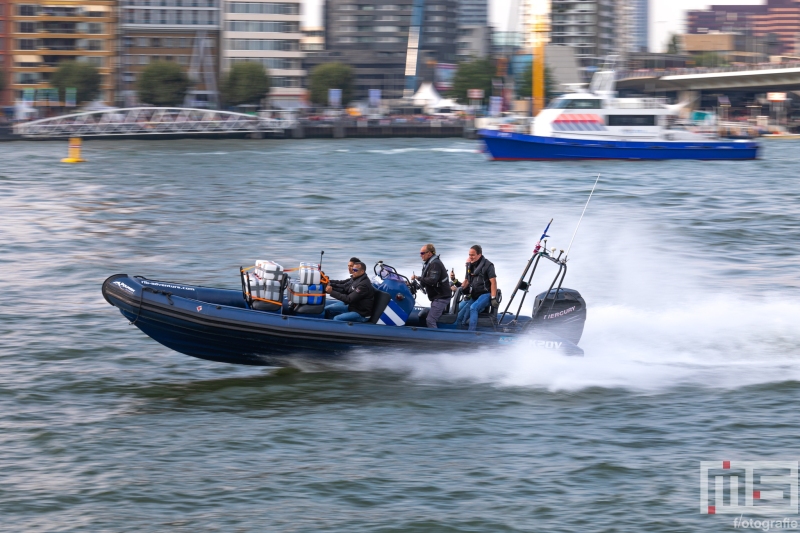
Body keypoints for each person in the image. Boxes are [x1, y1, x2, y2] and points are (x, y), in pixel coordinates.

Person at [456, 245, 498, 331]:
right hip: (475, 295)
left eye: (473, 255)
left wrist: (493, 298)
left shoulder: (488, 265)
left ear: (479, 255)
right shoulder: (469, 265)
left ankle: (471, 332)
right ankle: (460, 335)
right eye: (469, 255)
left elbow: (493, 282)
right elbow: (467, 281)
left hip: (486, 294)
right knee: (460, 317)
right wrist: (458, 288)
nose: (470, 257)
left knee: (473, 307)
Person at [411, 244, 451, 328]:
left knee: (430, 320)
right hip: (437, 298)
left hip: (441, 298)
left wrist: (418, 278)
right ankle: (424, 334)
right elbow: (424, 282)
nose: (420, 255)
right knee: (422, 316)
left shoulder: (435, 264)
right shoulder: (429, 264)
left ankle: (436, 340)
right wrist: (411, 284)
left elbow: (432, 280)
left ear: (429, 253)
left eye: (422, 253)